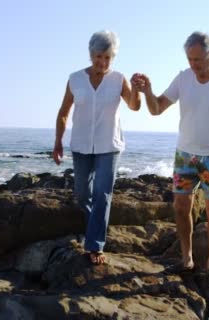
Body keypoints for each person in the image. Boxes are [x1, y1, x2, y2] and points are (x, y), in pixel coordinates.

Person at [131, 31, 209, 286]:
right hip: (186, 155)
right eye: (189, 59)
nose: (193, 65)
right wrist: (148, 91)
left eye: (198, 59)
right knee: (180, 207)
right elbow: (156, 109)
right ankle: (186, 260)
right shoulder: (183, 78)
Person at [53, 31, 140, 265]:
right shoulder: (75, 79)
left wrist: (137, 89)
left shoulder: (119, 79)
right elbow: (63, 113)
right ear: (91, 54)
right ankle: (95, 228)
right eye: (99, 56)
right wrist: (58, 141)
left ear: (113, 57)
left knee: (103, 194)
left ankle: (94, 245)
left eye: (108, 58)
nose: (102, 62)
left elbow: (134, 106)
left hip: (108, 145)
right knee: (83, 194)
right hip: (81, 145)